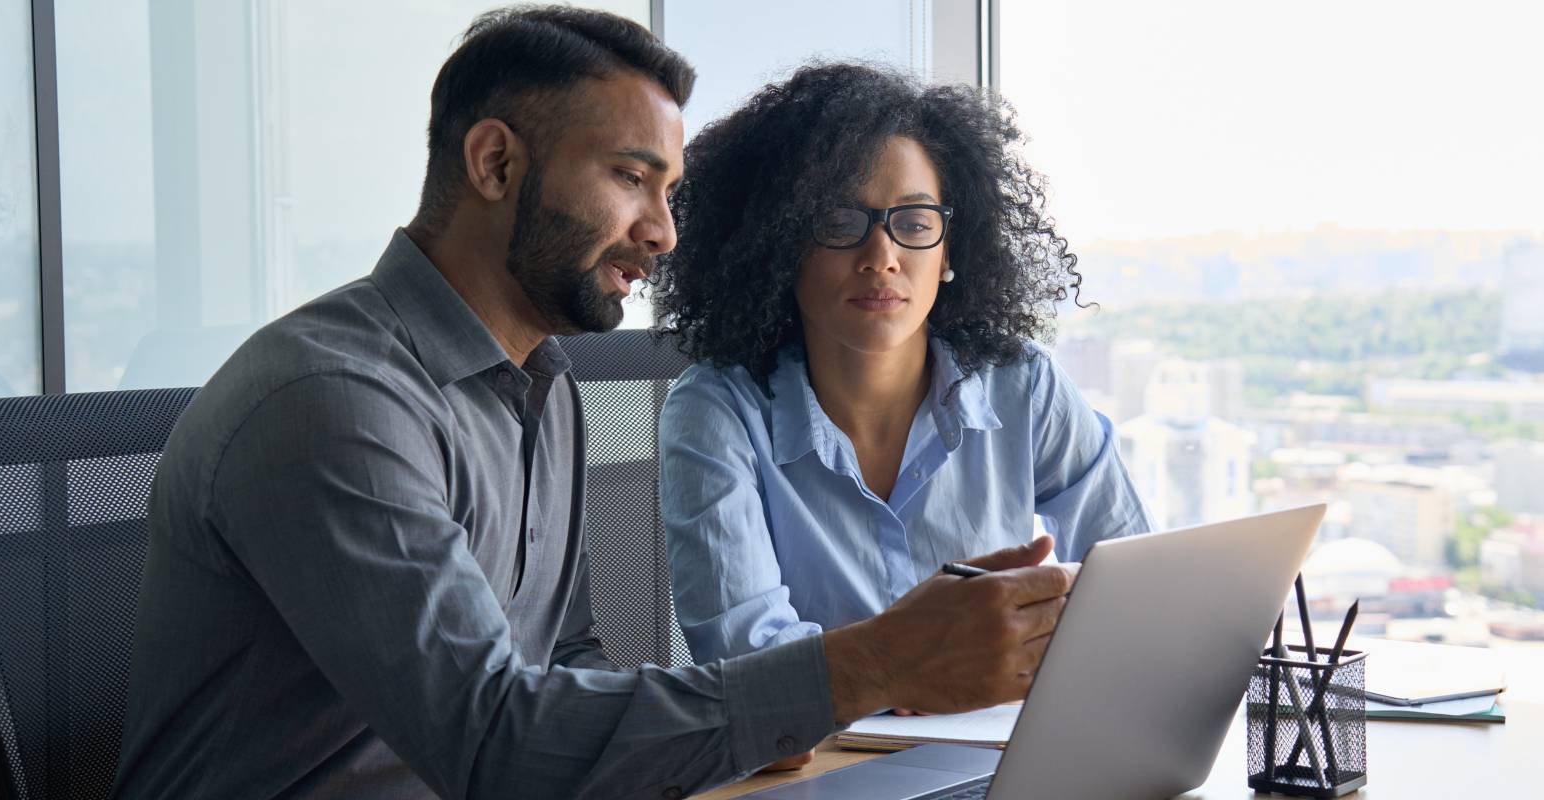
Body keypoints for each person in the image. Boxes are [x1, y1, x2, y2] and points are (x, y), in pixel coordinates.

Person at [110, 9, 1075, 799]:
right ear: (495, 165)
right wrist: (869, 666)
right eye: (630, 178)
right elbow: (491, 742)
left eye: (671, 192)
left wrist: (752, 720)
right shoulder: (335, 402)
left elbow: (564, 659)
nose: (661, 233)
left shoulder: (544, 384)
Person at [651, 64, 1151, 716]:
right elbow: (751, 669)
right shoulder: (715, 413)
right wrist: (905, 671)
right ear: (779, 245)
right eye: (839, 220)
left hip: (1003, 754)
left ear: (948, 253)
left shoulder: (1022, 386)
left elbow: (1136, 588)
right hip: (821, 771)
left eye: (913, 222)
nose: (881, 255)